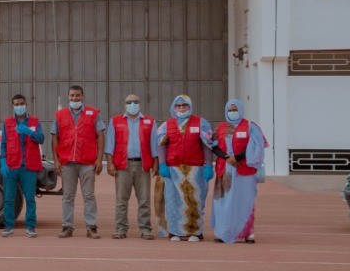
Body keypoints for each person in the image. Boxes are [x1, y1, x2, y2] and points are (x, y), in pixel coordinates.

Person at [155, 94, 214, 242]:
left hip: (196, 169)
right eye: (178, 105)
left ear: (190, 106)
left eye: (184, 105)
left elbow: (207, 145)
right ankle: (175, 232)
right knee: (173, 201)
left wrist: (209, 164)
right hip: (173, 170)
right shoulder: (166, 125)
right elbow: (161, 146)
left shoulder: (201, 123)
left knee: (195, 200)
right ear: (174, 108)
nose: (181, 108)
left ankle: (195, 232)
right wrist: (162, 164)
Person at [50, 85, 104, 239]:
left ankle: (91, 227)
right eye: (72, 95)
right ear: (68, 97)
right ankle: (67, 227)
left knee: (89, 196)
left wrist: (99, 159)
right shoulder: (60, 115)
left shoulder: (93, 113)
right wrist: (56, 161)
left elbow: (100, 136)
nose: (75, 98)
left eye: (78, 95)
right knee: (68, 196)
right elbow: (54, 138)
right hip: (67, 163)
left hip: (87, 162)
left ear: (82, 96)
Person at [211, 98, 266, 244]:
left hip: (244, 170)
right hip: (225, 170)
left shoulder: (250, 127)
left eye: (235, 110)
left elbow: (257, 146)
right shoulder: (220, 127)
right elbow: (214, 146)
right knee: (224, 202)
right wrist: (226, 157)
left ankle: (248, 233)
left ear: (241, 110)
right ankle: (224, 232)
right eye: (230, 110)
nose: (232, 112)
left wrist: (237, 157)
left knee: (245, 201)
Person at [104, 94, 156, 240]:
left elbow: (154, 145)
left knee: (144, 200)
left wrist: (156, 163)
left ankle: (145, 229)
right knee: (121, 200)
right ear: (125, 105)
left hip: (143, 166)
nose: (132, 104)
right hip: (123, 166)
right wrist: (110, 163)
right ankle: (120, 229)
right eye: (129, 102)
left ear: (140, 104)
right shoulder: (115, 121)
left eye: (135, 102)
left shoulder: (150, 121)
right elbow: (110, 144)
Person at [0, 94, 44, 238]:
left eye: (22, 104)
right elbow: (4, 143)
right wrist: (2, 161)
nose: (19, 107)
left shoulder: (35, 121)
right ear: (12, 106)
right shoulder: (7, 122)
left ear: (26, 104)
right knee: (8, 198)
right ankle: (8, 226)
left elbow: (41, 139)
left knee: (30, 198)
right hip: (11, 165)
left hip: (28, 166)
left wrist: (29, 132)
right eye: (17, 104)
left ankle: (30, 226)